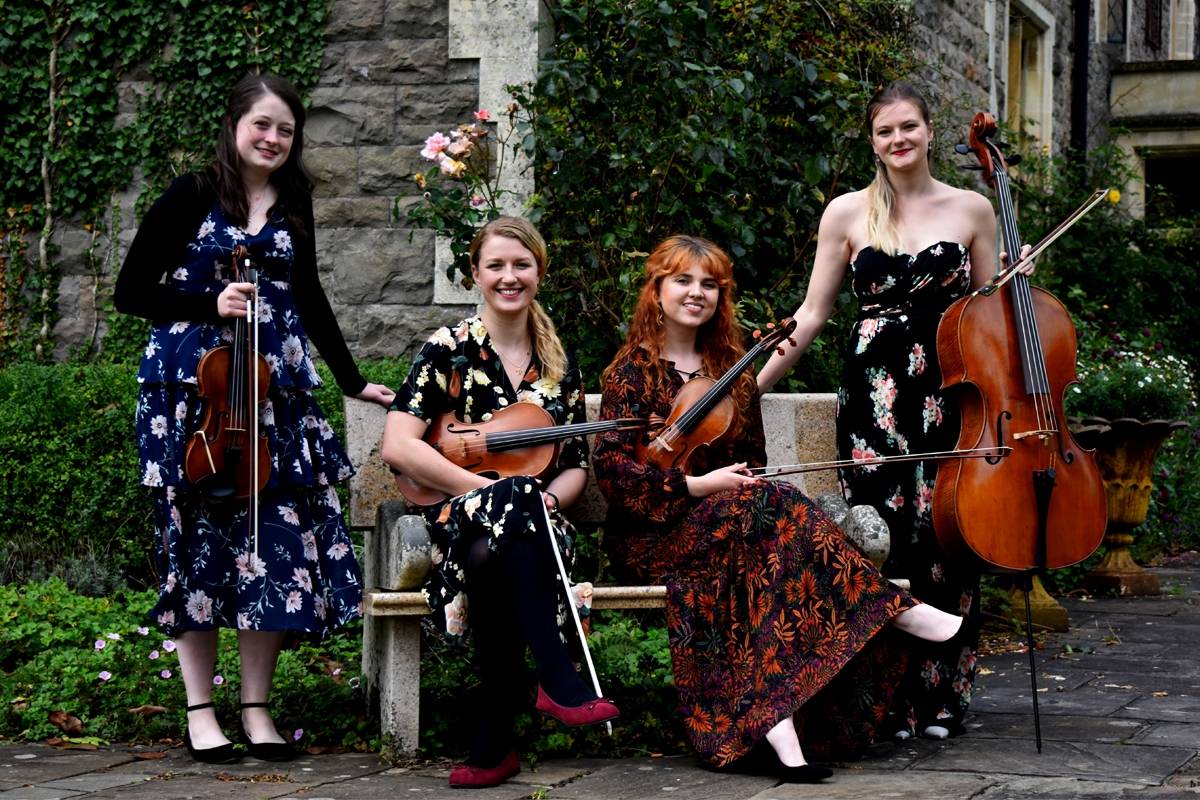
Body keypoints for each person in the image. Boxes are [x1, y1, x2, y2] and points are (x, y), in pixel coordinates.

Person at [592, 234, 965, 782]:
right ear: (656, 290)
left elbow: (753, 468)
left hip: (733, 532)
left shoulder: (735, 377)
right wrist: (698, 487)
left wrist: (736, 482)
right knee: (765, 514)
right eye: (683, 280)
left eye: (709, 285)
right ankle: (893, 609)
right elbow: (615, 474)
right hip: (656, 537)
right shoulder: (630, 372)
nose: (696, 293)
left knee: (765, 535)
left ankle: (779, 727)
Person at [115, 74, 395, 764]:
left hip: (276, 394)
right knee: (198, 548)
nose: (272, 139)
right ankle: (200, 711)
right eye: (262, 124)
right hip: (196, 393)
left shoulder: (295, 198)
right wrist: (211, 303)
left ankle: (257, 709)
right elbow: (131, 292)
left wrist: (353, 380)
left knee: (269, 546)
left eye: (286, 130)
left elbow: (309, 291)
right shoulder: (192, 193)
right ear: (235, 123)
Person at [756, 81, 1032, 740]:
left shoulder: (971, 209)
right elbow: (811, 314)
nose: (898, 140)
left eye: (908, 126)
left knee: (948, 537)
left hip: (951, 392)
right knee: (882, 539)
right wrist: (748, 385)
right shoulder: (848, 213)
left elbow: (992, 315)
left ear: (928, 131)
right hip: (874, 396)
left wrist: (1018, 281)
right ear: (873, 141)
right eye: (885, 131)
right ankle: (885, 703)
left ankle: (943, 700)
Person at [381, 217, 619, 790]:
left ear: (539, 271)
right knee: (498, 526)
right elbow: (398, 444)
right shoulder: (450, 350)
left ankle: (493, 740)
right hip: (457, 522)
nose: (509, 277)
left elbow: (574, 472)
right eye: (496, 266)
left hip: (530, 531)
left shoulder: (559, 366)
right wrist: (489, 491)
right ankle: (557, 677)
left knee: (502, 547)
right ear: (476, 274)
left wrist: (538, 503)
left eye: (521, 265)